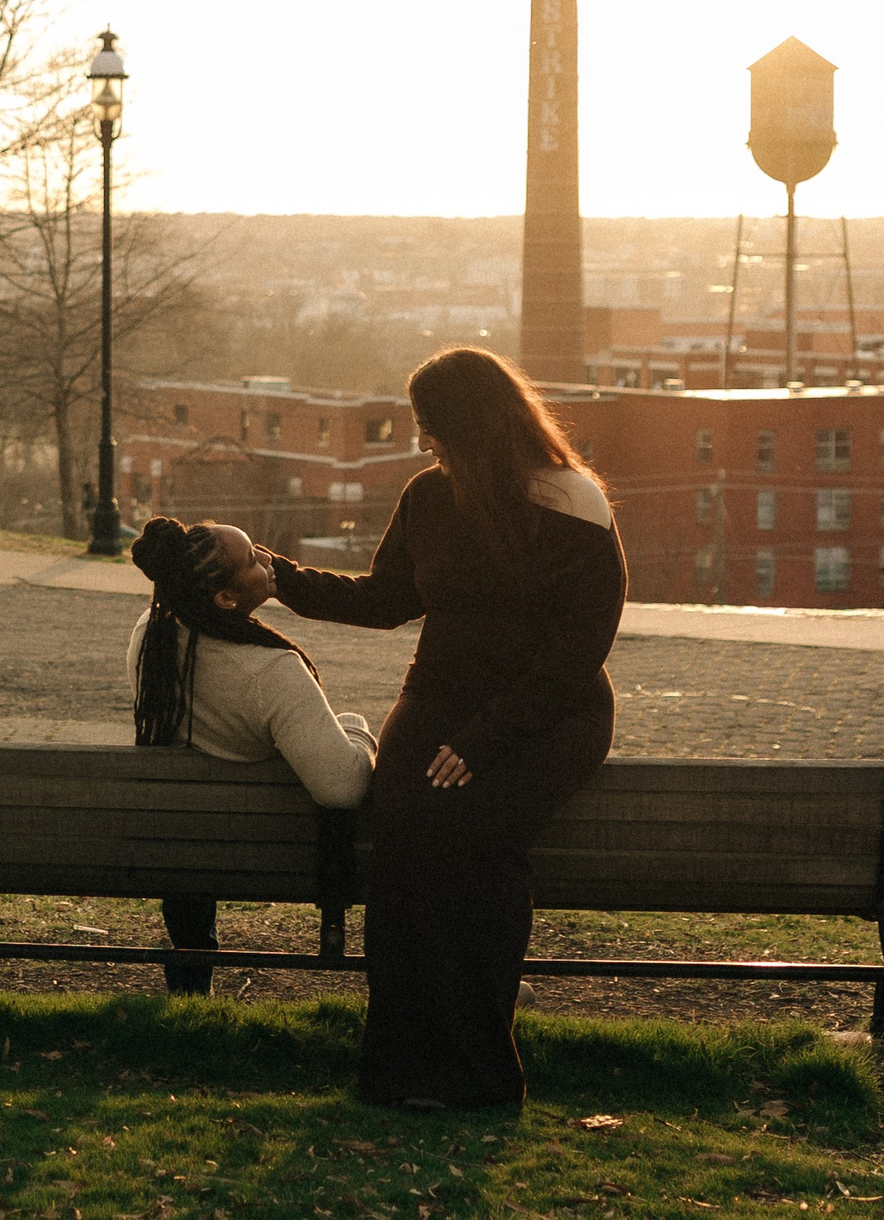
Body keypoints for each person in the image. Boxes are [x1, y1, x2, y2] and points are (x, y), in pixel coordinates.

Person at [266, 346, 625, 1111]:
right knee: (400, 846)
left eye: (433, 427)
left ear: (475, 424)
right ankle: (399, 1069)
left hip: (550, 714)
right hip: (440, 695)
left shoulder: (575, 503)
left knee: (477, 844)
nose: (424, 441)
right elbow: (387, 597)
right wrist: (281, 579)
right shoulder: (430, 495)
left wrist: (484, 739)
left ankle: (479, 1074)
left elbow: (574, 653)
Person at [127, 516, 377, 995]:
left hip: (184, 843)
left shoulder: (152, 633)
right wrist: (357, 730)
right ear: (225, 600)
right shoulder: (271, 672)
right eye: (251, 559)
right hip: (268, 845)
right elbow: (342, 787)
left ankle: (189, 988)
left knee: (193, 828)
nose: (266, 558)